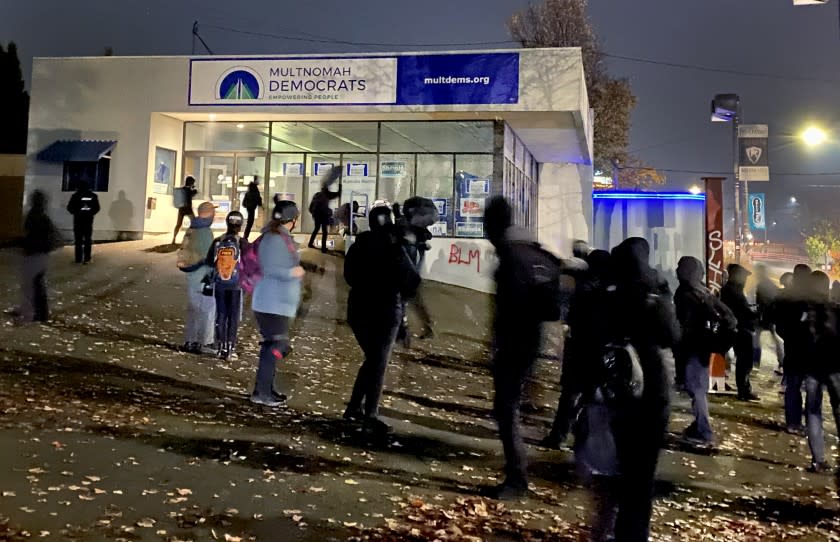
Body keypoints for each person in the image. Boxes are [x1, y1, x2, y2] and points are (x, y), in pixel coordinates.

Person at [582, 237, 679, 542]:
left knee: (614, 466)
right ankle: (634, 534)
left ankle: (606, 530)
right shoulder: (657, 290)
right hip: (653, 390)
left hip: (615, 390)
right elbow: (673, 336)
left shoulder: (606, 291)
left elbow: (589, 336)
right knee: (642, 473)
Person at [484, 196, 560, 500]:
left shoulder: (510, 259)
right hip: (531, 340)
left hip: (514, 344)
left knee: (506, 409)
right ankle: (517, 473)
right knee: (509, 407)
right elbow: (552, 309)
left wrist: (495, 345)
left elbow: (506, 309)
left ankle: (517, 479)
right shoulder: (539, 254)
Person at [343, 202, 420, 435]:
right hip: (386, 311)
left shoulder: (359, 245)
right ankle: (370, 415)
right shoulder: (394, 247)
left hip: (358, 310)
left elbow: (349, 276)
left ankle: (355, 408)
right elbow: (412, 279)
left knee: (373, 360)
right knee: (378, 363)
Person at [541, 249, 611, 449]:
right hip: (596, 351)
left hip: (577, 349)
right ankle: (581, 435)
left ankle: (559, 435)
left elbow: (571, 317)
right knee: (590, 396)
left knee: (570, 395)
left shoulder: (582, 287)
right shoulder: (606, 291)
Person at [673, 256, 736, 445]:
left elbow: (685, 323)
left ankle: (704, 431)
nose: (677, 270)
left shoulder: (687, 294)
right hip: (703, 346)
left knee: (696, 390)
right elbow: (726, 316)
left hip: (692, 346)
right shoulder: (703, 291)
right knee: (698, 388)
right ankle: (698, 427)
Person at [249, 201, 306, 407]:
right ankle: (262, 392)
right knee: (276, 346)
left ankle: (266, 389)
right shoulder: (274, 239)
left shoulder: (279, 237)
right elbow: (271, 268)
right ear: (293, 219)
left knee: (273, 345)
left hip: (276, 303)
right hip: (271, 303)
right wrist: (293, 272)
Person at [799, 270, 837, 472]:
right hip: (834, 368)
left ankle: (818, 459)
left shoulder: (803, 311)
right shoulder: (835, 310)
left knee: (813, 411)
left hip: (811, 367)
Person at [775, 264, 812, 433]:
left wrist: (789, 337)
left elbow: (779, 325)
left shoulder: (785, 297)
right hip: (808, 349)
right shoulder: (810, 298)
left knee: (793, 387)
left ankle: (793, 422)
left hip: (792, 347)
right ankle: (808, 423)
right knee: (810, 388)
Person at [176, 202, 217, 354]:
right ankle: (206, 342)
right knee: (208, 309)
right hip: (203, 276)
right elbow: (209, 257)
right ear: (209, 213)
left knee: (194, 310)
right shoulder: (205, 231)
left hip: (192, 275)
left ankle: (190, 341)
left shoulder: (192, 228)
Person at [206, 211, 244, 361]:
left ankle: (220, 347)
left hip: (220, 283)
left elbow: (209, 261)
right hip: (235, 284)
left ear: (227, 223)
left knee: (221, 314)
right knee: (233, 316)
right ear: (240, 225)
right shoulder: (242, 242)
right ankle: (231, 348)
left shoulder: (217, 241)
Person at [18, 190, 61, 323]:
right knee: (37, 284)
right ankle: (39, 312)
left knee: (33, 285)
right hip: (42, 253)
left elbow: (29, 235)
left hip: (34, 253)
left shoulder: (34, 216)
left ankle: (36, 313)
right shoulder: (43, 216)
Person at [720, 264, 759, 401]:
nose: (745, 280)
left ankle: (744, 389)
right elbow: (743, 311)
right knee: (744, 362)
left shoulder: (729, 290)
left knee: (743, 361)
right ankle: (744, 391)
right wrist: (756, 314)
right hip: (741, 330)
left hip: (736, 329)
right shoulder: (734, 291)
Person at [754, 264, 784, 372]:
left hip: (767, 316)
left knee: (757, 339)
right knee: (775, 339)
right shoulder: (768, 283)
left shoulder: (763, 284)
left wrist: (761, 314)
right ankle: (781, 362)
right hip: (769, 316)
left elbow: (764, 302)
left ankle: (756, 361)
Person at [66, 179, 100, 264]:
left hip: (78, 221)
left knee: (78, 240)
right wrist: (90, 213)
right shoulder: (93, 196)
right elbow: (97, 208)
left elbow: (69, 207)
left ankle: (78, 259)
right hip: (88, 221)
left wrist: (76, 213)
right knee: (88, 240)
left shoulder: (75, 195)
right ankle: (87, 258)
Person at [308, 169, 341, 253]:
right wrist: (339, 185)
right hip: (322, 216)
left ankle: (310, 243)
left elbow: (311, 206)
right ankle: (323, 248)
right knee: (324, 231)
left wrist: (313, 213)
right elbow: (337, 194)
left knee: (316, 229)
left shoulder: (317, 194)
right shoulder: (327, 194)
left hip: (317, 215)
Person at [172, 176, 198, 245]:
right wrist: (194, 189)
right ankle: (192, 238)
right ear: (191, 182)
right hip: (188, 209)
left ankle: (173, 239)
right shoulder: (189, 190)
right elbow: (194, 193)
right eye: (193, 182)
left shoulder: (182, 189)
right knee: (195, 222)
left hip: (181, 209)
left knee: (178, 224)